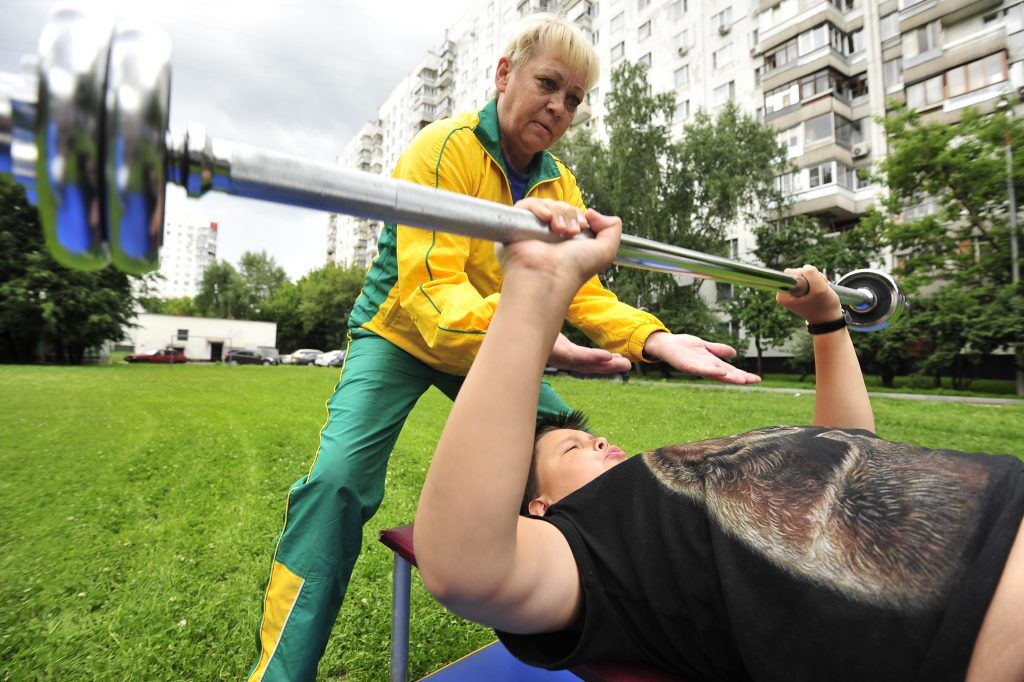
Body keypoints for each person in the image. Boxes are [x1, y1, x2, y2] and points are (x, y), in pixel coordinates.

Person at [247, 13, 758, 681]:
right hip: (399, 333)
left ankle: (617, 617)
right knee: (336, 484)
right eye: (548, 83)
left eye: (574, 98)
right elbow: (432, 289)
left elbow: (586, 295)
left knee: (581, 463)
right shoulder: (442, 147)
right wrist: (534, 342)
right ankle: (279, 676)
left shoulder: (559, 186)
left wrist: (654, 338)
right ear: (504, 75)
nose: (559, 106)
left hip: (498, 338)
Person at [414, 213, 1024, 681]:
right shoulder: (590, 552)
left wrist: (827, 323)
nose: (600, 439)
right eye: (574, 448)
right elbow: (464, 564)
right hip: (982, 607)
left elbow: (844, 444)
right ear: (538, 509)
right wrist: (537, 287)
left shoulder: (677, 479)